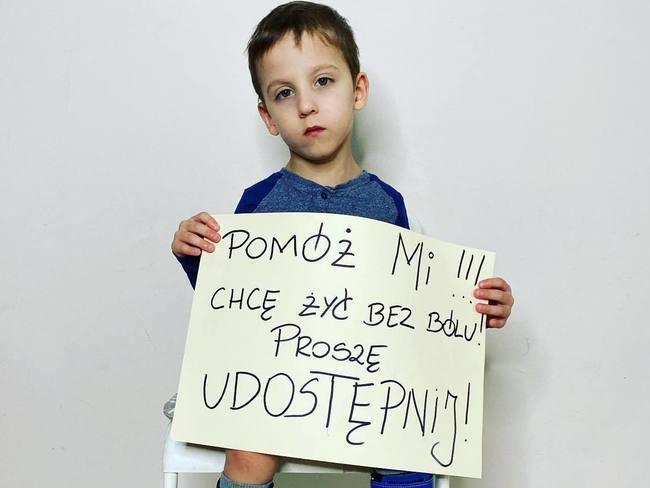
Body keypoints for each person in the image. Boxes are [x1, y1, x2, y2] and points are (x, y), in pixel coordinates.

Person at [169, 2, 515, 487]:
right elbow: (229, 303)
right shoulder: (258, 204)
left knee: (409, 446)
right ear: (268, 116)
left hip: (367, 385)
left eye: (323, 81)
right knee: (248, 454)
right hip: (278, 383)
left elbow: (417, 310)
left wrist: (479, 307)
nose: (306, 105)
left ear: (358, 90)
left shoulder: (388, 205)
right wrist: (192, 252)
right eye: (284, 93)